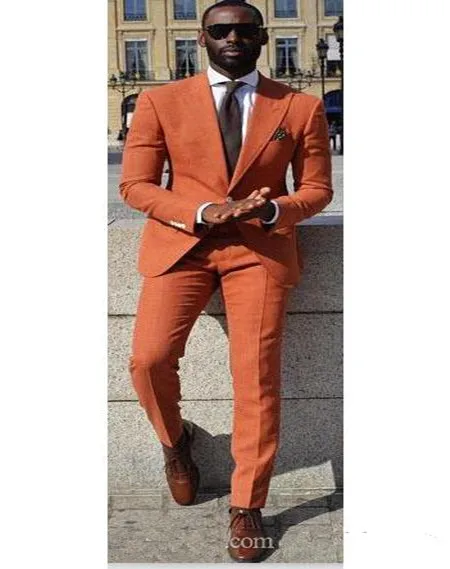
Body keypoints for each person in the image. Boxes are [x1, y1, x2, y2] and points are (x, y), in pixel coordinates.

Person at [119, 0, 332, 562]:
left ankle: (247, 504)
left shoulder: (301, 106)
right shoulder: (160, 102)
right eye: (220, 30)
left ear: (262, 37)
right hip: (182, 246)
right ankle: (176, 443)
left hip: (258, 251)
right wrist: (202, 211)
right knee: (147, 359)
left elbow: (316, 189)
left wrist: (273, 210)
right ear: (202, 38)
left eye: (244, 30)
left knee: (256, 377)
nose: (232, 38)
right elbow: (135, 185)